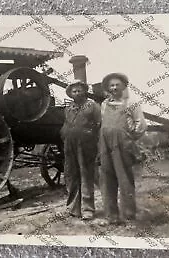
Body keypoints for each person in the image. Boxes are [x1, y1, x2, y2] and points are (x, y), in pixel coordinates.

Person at [98, 73, 147, 226]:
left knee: (125, 179)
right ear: (107, 88)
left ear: (124, 86)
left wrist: (129, 139)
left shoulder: (131, 103)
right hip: (105, 146)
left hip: (123, 146)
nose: (114, 88)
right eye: (111, 85)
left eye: (117, 85)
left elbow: (141, 124)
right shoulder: (104, 104)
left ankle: (129, 215)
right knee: (107, 180)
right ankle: (111, 216)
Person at [60, 81, 101, 220]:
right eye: (74, 91)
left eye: (79, 90)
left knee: (86, 175)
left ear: (84, 91)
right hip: (69, 145)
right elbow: (66, 124)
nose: (77, 93)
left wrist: (95, 142)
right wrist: (65, 134)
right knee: (71, 175)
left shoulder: (93, 106)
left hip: (86, 145)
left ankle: (88, 209)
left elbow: (99, 125)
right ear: (70, 94)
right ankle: (74, 209)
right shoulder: (68, 108)